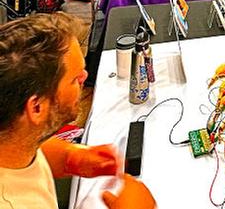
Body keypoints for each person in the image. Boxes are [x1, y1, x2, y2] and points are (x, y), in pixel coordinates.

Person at [0, 12, 156, 209]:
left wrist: (70, 159)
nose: (85, 76)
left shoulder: (14, 137)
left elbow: (29, 150)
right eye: (75, 79)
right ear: (37, 107)